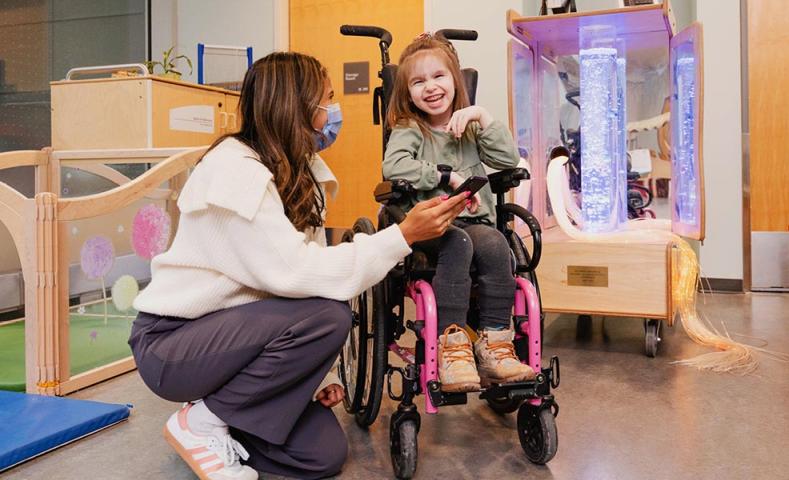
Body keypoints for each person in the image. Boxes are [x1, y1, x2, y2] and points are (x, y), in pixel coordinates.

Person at [129, 51, 469, 480]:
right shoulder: (234, 170)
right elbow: (299, 274)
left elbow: (294, 282)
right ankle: (201, 422)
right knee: (329, 316)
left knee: (320, 456)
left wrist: (306, 378)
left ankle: (220, 414)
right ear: (296, 105)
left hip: (237, 336)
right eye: (326, 99)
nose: (332, 112)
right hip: (174, 345)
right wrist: (402, 236)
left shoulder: (297, 171)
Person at [383, 34, 535, 393]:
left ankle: (495, 342)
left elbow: (507, 160)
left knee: (497, 242)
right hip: (432, 224)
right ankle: (452, 346)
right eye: (418, 82)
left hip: (473, 222)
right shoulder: (410, 128)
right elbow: (394, 166)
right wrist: (443, 176)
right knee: (459, 241)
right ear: (407, 92)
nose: (431, 87)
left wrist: (483, 117)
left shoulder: (470, 127)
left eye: (439, 77)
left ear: (455, 81)